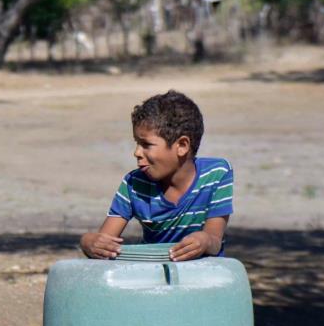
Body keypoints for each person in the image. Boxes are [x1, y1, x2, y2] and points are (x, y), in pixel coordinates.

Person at [80, 90, 233, 261]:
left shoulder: (216, 175)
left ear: (182, 145)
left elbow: (214, 240)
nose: (137, 152)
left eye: (146, 144)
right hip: (152, 271)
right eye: (137, 143)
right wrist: (88, 242)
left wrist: (204, 241)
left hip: (204, 272)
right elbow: (104, 242)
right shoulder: (134, 184)